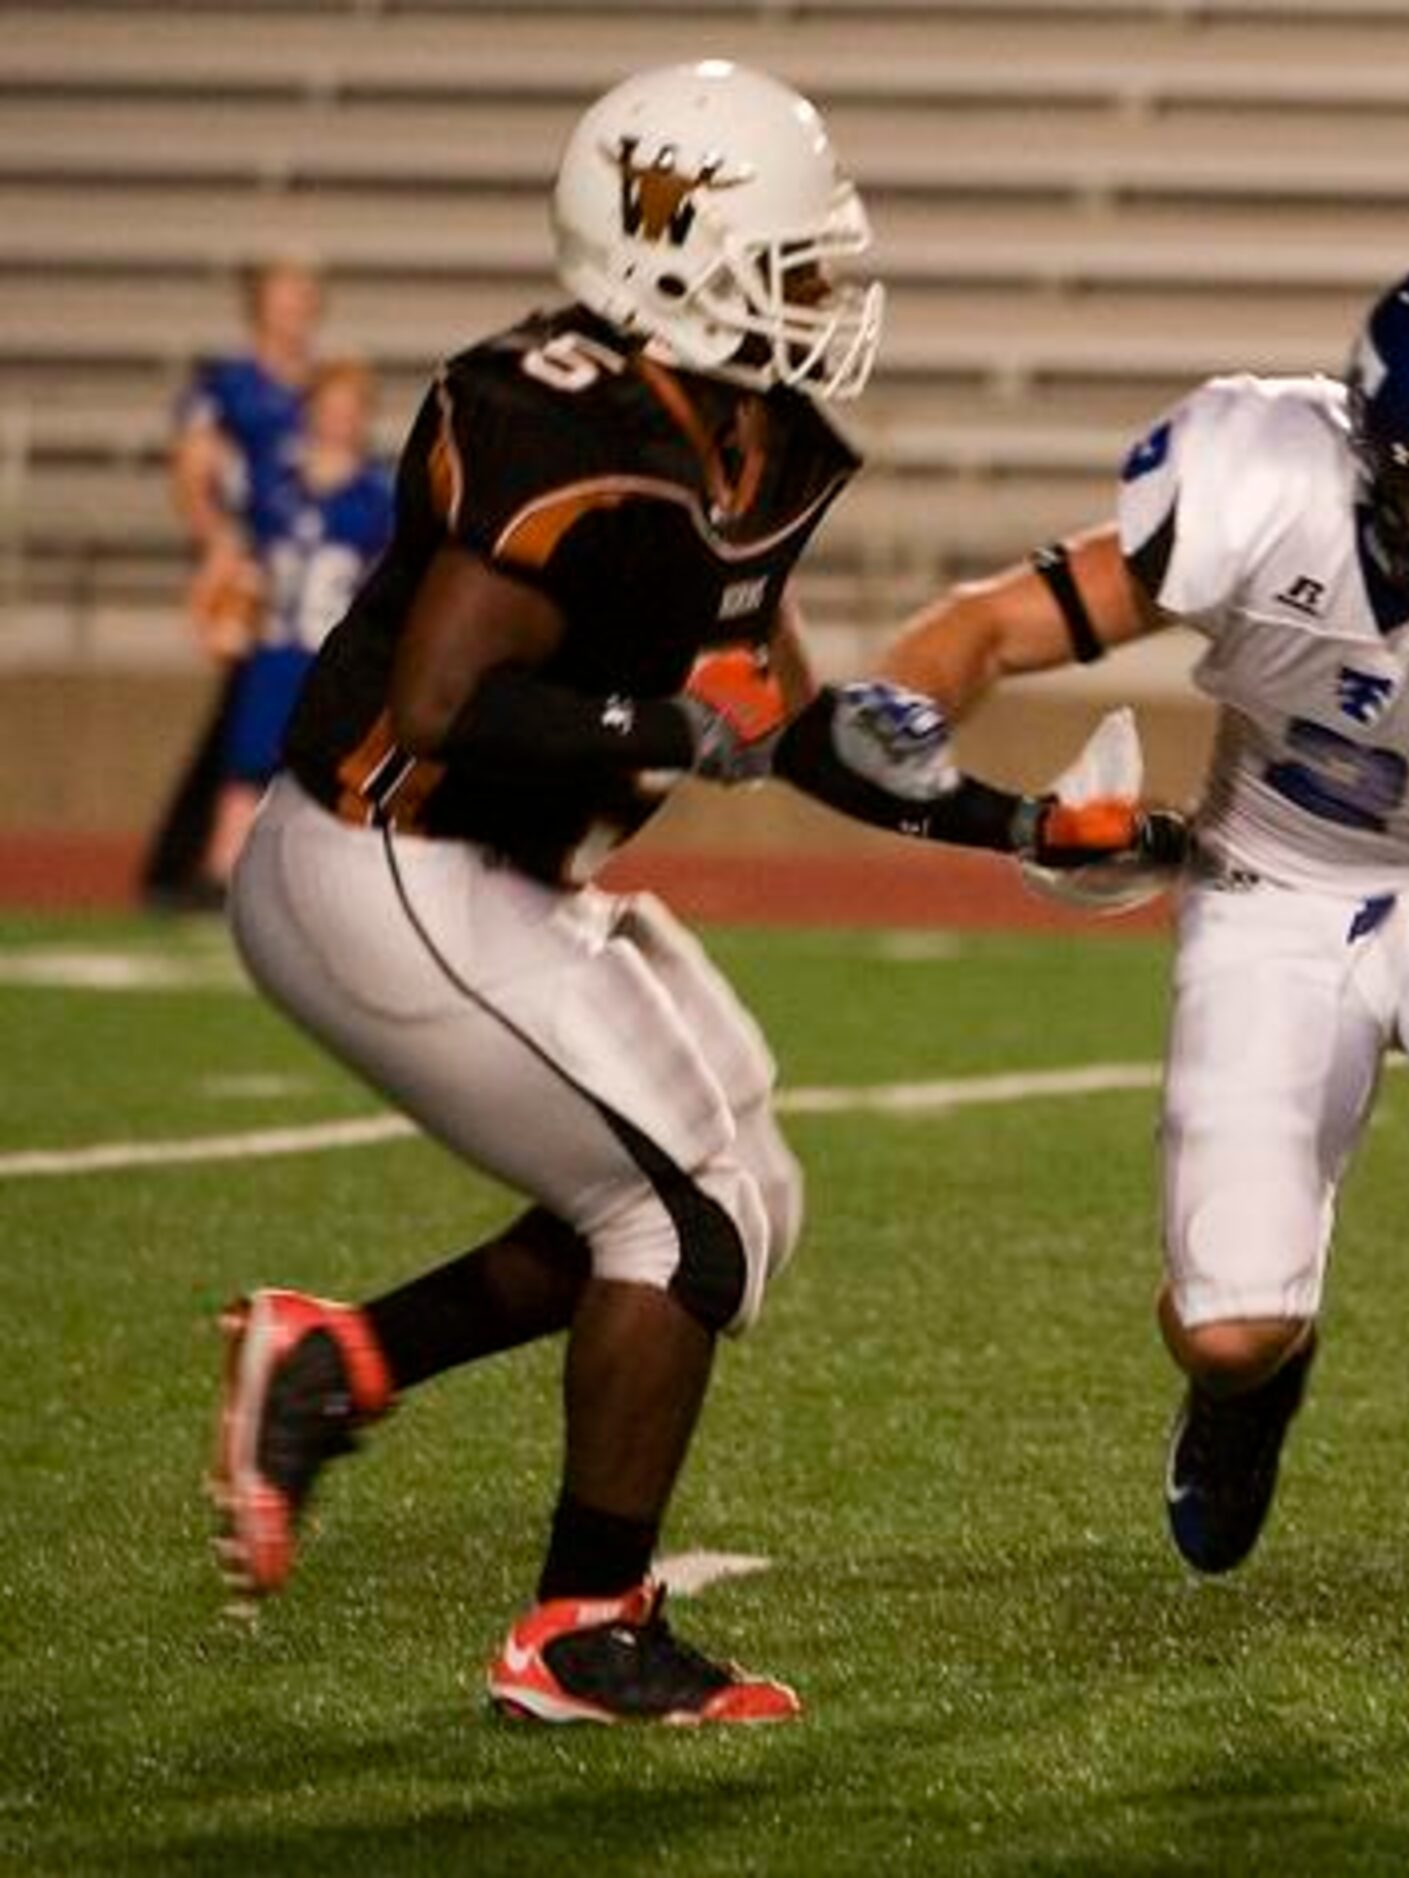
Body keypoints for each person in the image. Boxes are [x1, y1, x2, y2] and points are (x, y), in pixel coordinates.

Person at [206, 60, 1169, 1727]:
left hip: (509, 872)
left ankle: (335, 1360)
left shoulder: (757, 434)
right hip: (381, 849)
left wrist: (1019, 828)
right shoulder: (555, 417)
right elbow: (441, 707)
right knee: (681, 1213)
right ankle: (579, 1625)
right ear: (669, 250)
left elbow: (781, 719)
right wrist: (659, 723)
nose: (819, 302)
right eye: (791, 265)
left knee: (746, 1203)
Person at [879, 256, 1409, 1761]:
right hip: (1270, 881)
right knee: (1228, 1329)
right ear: (1371, 472)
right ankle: (1251, 1390)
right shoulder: (1257, 486)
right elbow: (988, 627)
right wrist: (899, 714)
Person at [148, 254, 328, 911]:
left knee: (244, 716)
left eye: (305, 293)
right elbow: (192, 467)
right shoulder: (228, 383)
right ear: (259, 302)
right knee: (244, 716)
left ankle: (189, 861)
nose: (298, 305)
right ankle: (187, 863)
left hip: (302, 570)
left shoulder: (313, 386)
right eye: (286, 293)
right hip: (250, 569)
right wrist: (216, 541)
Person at [205, 358, 397, 887]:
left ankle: (325, 883)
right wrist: (227, 604)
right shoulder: (274, 484)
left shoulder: (377, 496)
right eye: (329, 407)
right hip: (275, 645)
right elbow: (234, 547)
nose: (338, 420)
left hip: (335, 657)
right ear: (309, 411)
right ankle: (223, 873)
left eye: (349, 410)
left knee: (333, 776)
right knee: (247, 766)